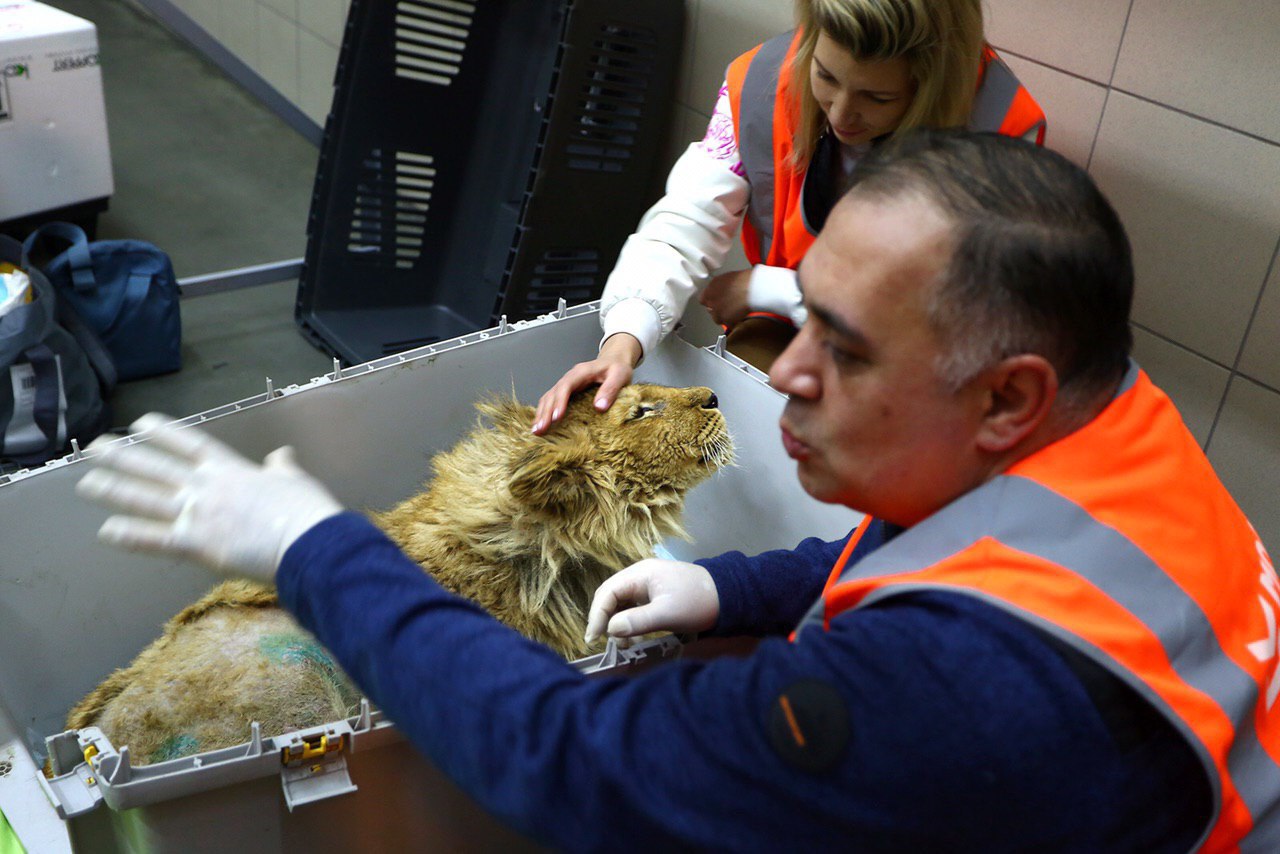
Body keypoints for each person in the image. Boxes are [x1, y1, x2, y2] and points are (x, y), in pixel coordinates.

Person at [75, 131, 1280, 852]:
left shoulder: (953, 691)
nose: (785, 373)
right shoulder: (1124, 437)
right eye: (801, 313)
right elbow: (961, 559)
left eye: (846, 350)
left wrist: (313, 546)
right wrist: (731, 588)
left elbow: (570, 760)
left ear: (1008, 395)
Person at [531, 0, 1045, 434]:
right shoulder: (759, 80)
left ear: (930, 86)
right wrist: (623, 341)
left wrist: (767, 288)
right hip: (787, 328)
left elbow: (941, 316)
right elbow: (686, 219)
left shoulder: (1001, 132)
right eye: (826, 76)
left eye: (877, 97)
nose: (840, 113)